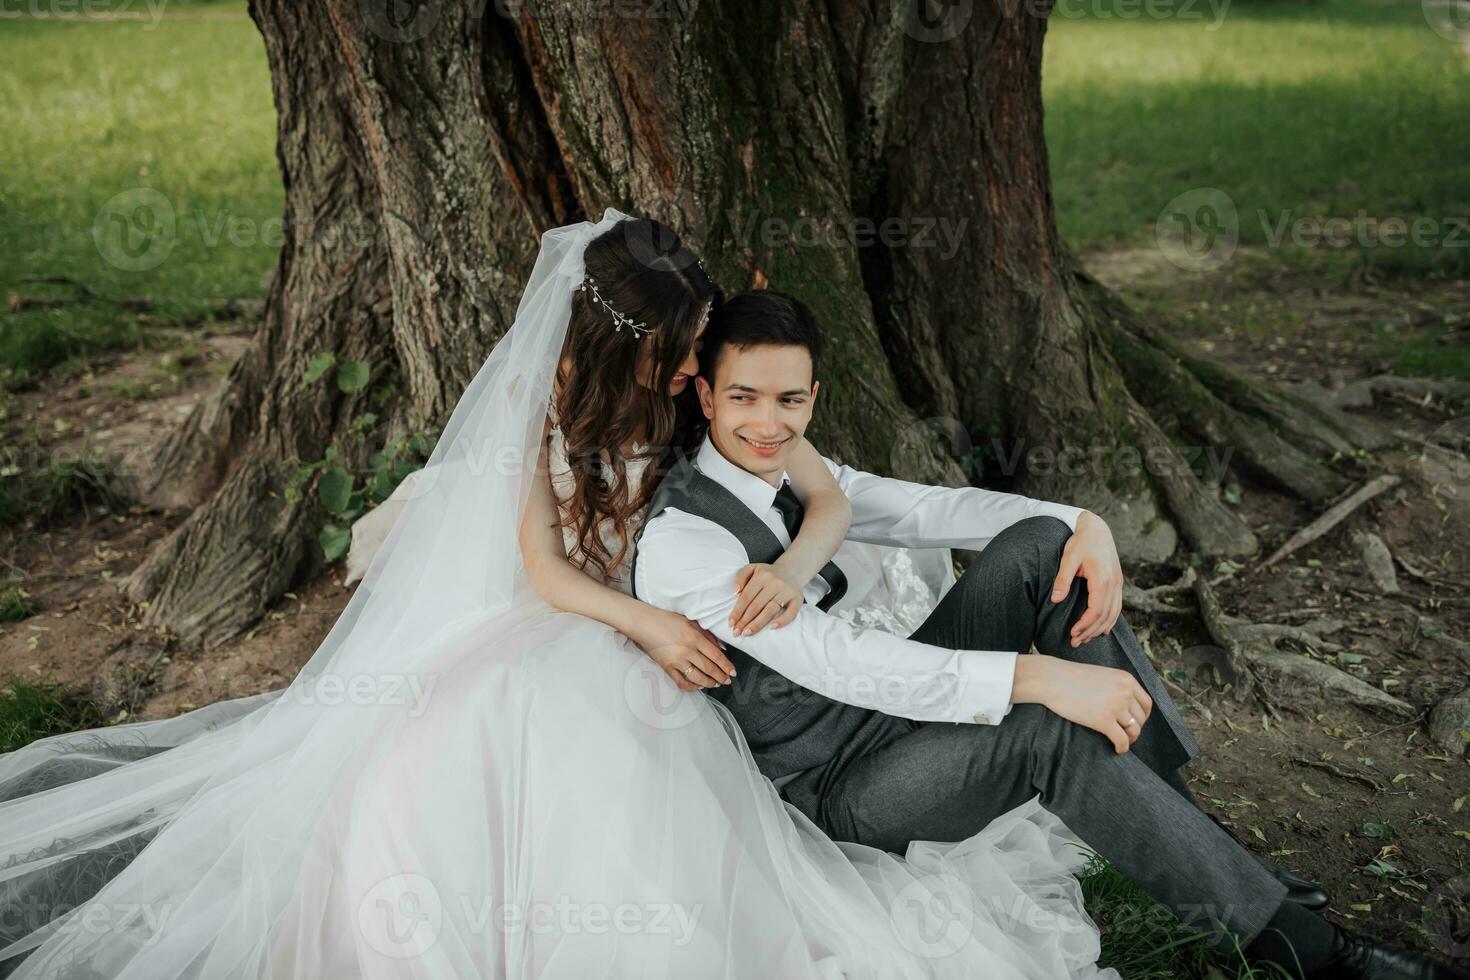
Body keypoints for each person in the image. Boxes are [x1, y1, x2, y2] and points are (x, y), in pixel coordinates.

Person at [0, 211, 1114, 979]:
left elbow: (831, 497)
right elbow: (543, 569)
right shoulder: (545, 404)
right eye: (679, 360)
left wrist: (773, 568)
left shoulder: (697, 401)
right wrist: (643, 620)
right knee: (534, 738)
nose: (693, 378)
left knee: (669, 749)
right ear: (619, 345)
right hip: (572, 617)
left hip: (671, 599)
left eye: (697, 359)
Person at [633, 288, 1468, 980]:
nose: (768, 423)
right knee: (1044, 730)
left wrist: (1080, 518)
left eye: (790, 399)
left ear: (815, 396)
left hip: (886, 719)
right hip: (832, 789)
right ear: (705, 396)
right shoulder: (688, 540)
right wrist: (1036, 676)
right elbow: (838, 662)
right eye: (742, 398)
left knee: (1041, 550)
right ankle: (1311, 955)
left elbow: (929, 508)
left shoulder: (793, 470)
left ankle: (1201, 847)